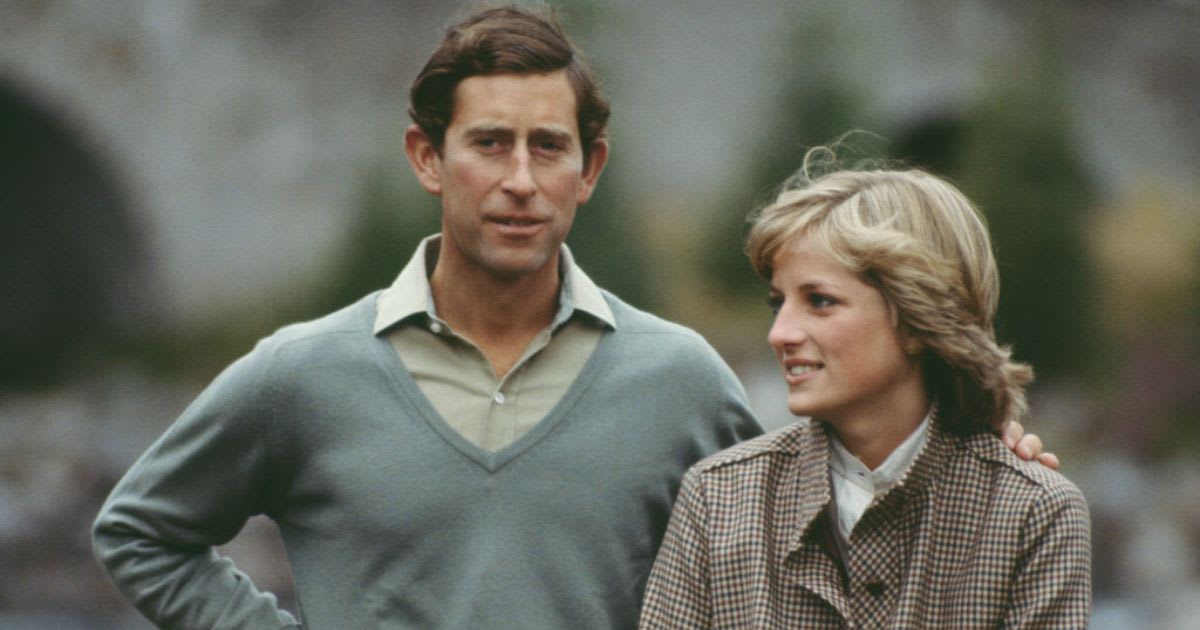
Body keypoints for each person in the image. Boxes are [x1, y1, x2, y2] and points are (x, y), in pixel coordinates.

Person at [92, 7, 1054, 629]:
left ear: (588, 171)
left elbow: (811, 544)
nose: (520, 180)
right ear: (428, 159)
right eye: (489, 144)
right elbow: (139, 531)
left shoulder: (678, 379)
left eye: (549, 147)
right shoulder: (300, 374)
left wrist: (976, 448)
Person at [639, 153, 1091, 628]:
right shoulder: (718, 500)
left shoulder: (1031, 514)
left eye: (820, 301)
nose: (780, 333)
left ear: (919, 320)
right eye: (779, 303)